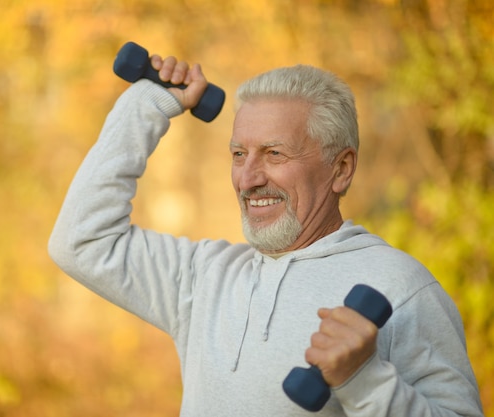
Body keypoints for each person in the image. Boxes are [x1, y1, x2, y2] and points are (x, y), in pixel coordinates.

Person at [48, 50, 484, 416]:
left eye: (275, 153)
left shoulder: (401, 288)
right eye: (239, 154)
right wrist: (148, 103)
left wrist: (365, 381)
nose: (248, 178)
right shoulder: (205, 279)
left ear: (341, 169)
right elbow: (83, 242)